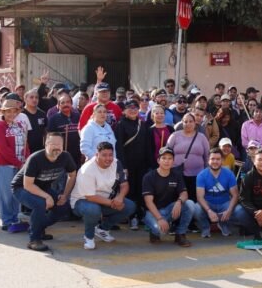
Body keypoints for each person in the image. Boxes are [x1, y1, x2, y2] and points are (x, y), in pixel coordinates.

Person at [11, 132, 78, 251]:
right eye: (53, 144)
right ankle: (34, 239)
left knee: (63, 207)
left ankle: (38, 226)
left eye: (59, 144)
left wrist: (65, 194)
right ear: (46, 144)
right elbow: (28, 185)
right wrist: (47, 197)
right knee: (40, 204)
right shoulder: (35, 158)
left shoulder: (65, 157)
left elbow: (72, 175)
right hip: (21, 188)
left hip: (43, 188)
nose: (57, 147)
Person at [70, 141, 136, 250]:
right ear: (97, 155)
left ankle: (103, 229)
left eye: (110, 155)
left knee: (130, 206)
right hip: (82, 201)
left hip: (105, 199)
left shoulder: (116, 163)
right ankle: (89, 237)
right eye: (104, 155)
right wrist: (113, 203)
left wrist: (120, 198)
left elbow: (124, 184)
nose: (108, 158)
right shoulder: (87, 169)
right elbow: (90, 197)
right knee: (93, 210)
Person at [141, 146, 194, 246]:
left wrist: (179, 202)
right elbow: (149, 202)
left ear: (173, 161)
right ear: (158, 160)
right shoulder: (149, 177)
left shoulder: (176, 174)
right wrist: (160, 219)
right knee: (159, 231)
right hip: (153, 212)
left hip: (170, 209)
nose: (167, 161)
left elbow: (184, 193)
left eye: (170, 158)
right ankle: (154, 232)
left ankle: (180, 234)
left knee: (190, 204)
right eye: (164, 158)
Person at [0, 99, 29, 233]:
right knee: (6, 194)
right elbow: (3, 148)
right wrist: (19, 163)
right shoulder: (0, 126)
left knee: (17, 193)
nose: (12, 114)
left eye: (14, 111)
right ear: (3, 112)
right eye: (8, 111)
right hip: (5, 165)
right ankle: (7, 220)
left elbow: (25, 144)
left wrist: (27, 159)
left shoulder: (19, 125)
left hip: (19, 164)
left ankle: (16, 218)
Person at [114, 99, 151, 230]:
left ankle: (141, 215)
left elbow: (147, 145)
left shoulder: (143, 124)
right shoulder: (120, 125)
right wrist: (123, 166)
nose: (133, 110)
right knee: (129, 190)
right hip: (128, 165)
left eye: (136, 107)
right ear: (124, 110)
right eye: (130, 107)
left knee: (141, 189)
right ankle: (131, 216)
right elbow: (119, 147)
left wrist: (148, 163)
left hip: (142, 164)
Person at [193, 147, 239, 238]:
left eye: (218, 159)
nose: (215, 161)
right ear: (208, 160)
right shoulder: (201, 175)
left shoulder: (229, 173)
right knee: (196, 208)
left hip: (224, 202)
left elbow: (235, 195)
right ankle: (205, 227)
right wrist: (209, 210)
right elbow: (199, 197)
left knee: (237, 210)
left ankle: (223, 224)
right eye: (212, 159)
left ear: (222, 160)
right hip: (208, 203)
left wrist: (229, 210)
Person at [167, 113, 210, 202]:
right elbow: (167, 153)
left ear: (195, 123)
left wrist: (207, 172)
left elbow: (207, 156)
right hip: (177, 174)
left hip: (197, 175)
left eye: (191, 121)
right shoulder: (175, 136)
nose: (188, 124)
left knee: (194, 199)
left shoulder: (201, 137)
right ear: (182, 123)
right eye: (185, 121)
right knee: (178, 198)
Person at [22, 88, 47, 154]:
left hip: (40, 150)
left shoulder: (42, 114)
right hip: (24, 150)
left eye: (36, 97)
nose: (34, 99)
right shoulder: (21, 114)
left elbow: (46, 131)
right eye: (31, 97)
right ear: (25, 99)